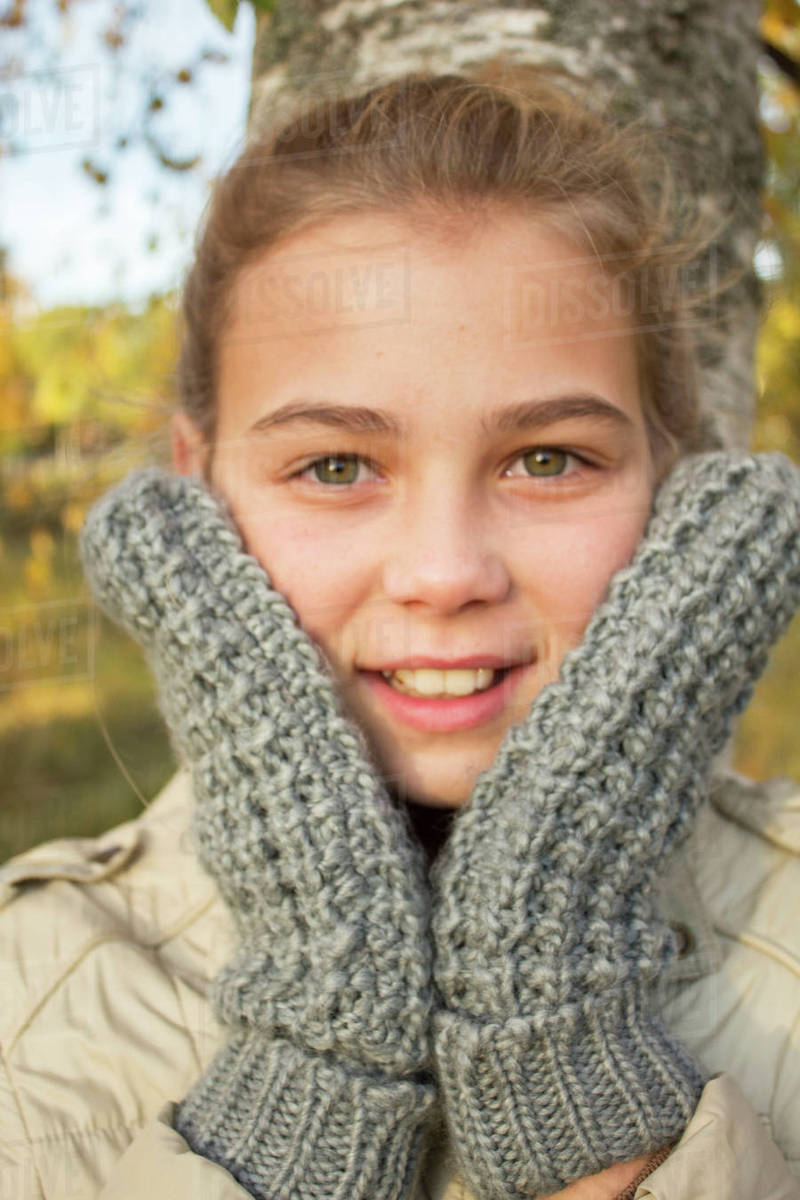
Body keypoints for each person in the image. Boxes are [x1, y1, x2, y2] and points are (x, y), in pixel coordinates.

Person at [0, 63, 798, 1200]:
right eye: (334, 466)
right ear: (198, 495)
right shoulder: (24, 995)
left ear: (670, 492)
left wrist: (558, 1014)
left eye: (546, 459)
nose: (443, 572)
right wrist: (312, 1060)